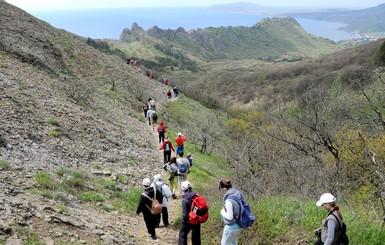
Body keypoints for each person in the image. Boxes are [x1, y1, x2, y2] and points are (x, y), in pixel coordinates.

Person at [219, 179, 244, 245]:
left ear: (224, 189)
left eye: (220, 189)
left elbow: (229, 217)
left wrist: (222, 212)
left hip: (231, 228)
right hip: (238, 226)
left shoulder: (229, 200)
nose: (221, 191)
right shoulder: (237, 194)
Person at [178, 181, 201, 245]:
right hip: (197, 219)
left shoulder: (185, 200)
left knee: (182, 235)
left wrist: (183, 221)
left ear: (183, 189)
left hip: (188, 221)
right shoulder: (197, 195)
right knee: (196, 237)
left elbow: (185, 214)